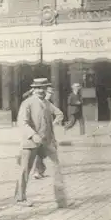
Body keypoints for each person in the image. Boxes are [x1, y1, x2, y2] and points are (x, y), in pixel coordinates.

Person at [15, 78, 72, 209]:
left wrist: (52, 135)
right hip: (30, 142)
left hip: (46, 141)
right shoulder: (27, 103)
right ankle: (20, 198)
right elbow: (22, 122)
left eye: (43, 87)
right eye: (38, 88)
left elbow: (58, 114)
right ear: (33, 89)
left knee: (56, 167)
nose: (41, 90)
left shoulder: (47, 103)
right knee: (25, 170)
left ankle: (61, 200)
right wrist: (33, 135)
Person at [32, 86, 64, 179]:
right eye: (48, 93)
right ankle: (39, 171)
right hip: (38, 133)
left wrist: (53, 123)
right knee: (40, 152)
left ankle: (40, 170)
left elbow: (60, 114)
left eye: (50, 93)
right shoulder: (34, 103)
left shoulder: (48, 104)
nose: (49, 95)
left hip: (47, 133)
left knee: (45, 152)